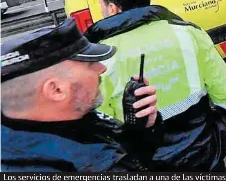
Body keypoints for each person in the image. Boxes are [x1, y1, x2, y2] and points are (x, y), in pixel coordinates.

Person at [84, 0, 226, 172]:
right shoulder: (187, 32)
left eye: (101, 5)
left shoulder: (97, 56)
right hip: (201, 150)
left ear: (113, 8)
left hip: (142, 158)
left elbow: (97, 120)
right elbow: (222, 83)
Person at [1, 19, 163, 171]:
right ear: (57, 90)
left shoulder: (76, 120)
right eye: (90, 64)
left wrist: (141, 132)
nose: (102, 68)